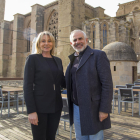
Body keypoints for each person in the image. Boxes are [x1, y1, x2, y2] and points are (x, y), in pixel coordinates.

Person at [65, 30, 113, 140]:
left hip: (94, 108)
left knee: (95, 138)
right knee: (80, 138)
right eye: (75, 40)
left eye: (80, 38)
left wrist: (104, 109)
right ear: (71, 44)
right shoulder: (72, 59)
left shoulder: (98, 55)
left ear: (86, 40)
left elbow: (107, 84)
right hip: (76, 107)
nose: (78, 42)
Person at [24, 31, 65, 140]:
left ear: (53, 43)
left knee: (51, 137)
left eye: (49, 41)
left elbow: (63, 82)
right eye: (43, 41)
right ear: (38, 43)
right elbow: (27, 87)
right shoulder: (33, 59)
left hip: (56, 107)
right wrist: (31, 111)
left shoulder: (58, 60)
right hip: (39, 108)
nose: (46, 44)